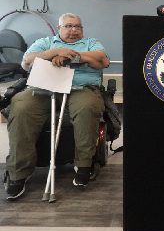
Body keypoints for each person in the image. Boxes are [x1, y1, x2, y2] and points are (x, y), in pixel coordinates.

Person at [4, 13, 110, 199]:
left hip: (81, 88)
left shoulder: (91, 43)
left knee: (87, 107)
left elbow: (102, 60)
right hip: (43, 87)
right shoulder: (45, 42)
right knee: (20, 106)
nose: (74, 30)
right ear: (59, 28)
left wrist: (72, 56)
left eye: (78, 26)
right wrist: (54, 52)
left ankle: (84, 164)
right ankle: (18, 172)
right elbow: (27, 62)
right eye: (69, 26)